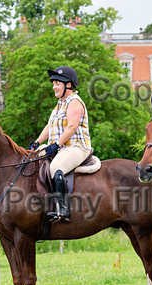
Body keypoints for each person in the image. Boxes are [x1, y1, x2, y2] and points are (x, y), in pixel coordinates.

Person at [28, 66, 92, 222]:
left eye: (57, 83)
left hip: (76, 146)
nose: (54, 87)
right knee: (33, 162)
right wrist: (37, 143)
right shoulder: (59, 104)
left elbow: (72, 126)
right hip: (62, 147)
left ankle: (63, 210)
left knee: (56, 168)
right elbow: (50, 126)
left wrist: (56, 145)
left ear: (68, 85)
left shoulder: (74, 102)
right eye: (53, 83)